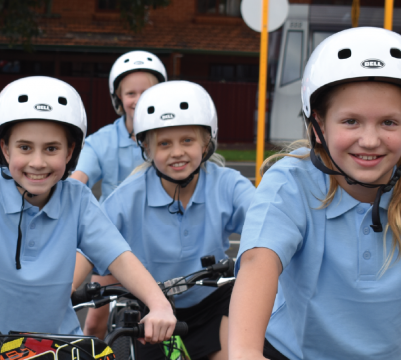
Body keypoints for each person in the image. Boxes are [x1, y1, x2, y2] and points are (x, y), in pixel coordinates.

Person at [0, 76, 177, 360]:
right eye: (25, 147)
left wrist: (158, 304)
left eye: (51, 149)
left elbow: (120, 257)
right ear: (4, 149)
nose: (37, 162)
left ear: (70, 152)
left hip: (62, 348)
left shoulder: (77, 199)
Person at [229, 27, 401, 360]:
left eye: (390, 123)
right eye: (350, 121)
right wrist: (244, 351)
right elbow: (257, 261)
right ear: (318, 124)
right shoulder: (291, 181)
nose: (369, 140)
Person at [92, 81, 254, 360]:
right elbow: (90, 244)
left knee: (238, 351)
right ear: (146, 147)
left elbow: (267, 224)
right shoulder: (128, 195)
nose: (177, 152)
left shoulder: (227, 184)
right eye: (164, 144)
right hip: (153, 311)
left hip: (213, 304)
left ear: (206, 142)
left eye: (187, 141)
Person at [70, 50, 166, 202]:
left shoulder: (174, 137)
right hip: (111, 223)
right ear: (119, 97)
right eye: (131, 94)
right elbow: (79, 177)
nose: (139, 100)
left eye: (146, 92)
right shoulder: (101, 141)